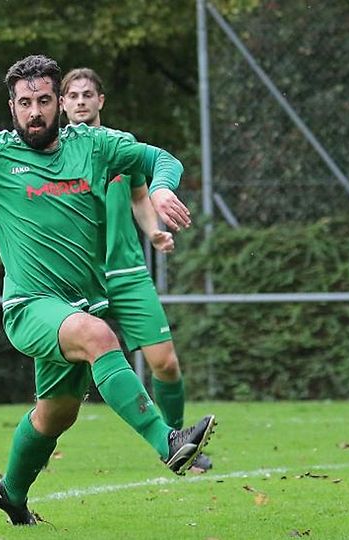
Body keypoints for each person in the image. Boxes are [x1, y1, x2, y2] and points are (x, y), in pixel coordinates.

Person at [0, 55, 216, 526]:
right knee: (98, 336)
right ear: (11, 106)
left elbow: (161, 159)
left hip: (79, 303)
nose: (34, 112)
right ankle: (168, 442)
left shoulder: (92, 145)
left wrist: (159, 189)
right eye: (24, 103)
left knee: (56, 415)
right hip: (28, 307)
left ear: (59, 102)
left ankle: (10, 493)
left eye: (43, 101)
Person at [60, 67, 212, 473]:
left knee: (166, 363)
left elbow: (140, 195)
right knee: (62, 389)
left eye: (87, 94)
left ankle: (178, 443)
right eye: (72, 95)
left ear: (100, 100)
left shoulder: (122, 146)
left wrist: (154, 232)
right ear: (62, 104)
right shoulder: (55, 153)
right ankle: (35, 450)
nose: (80, 101)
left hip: (127, 272)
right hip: (77, 277)